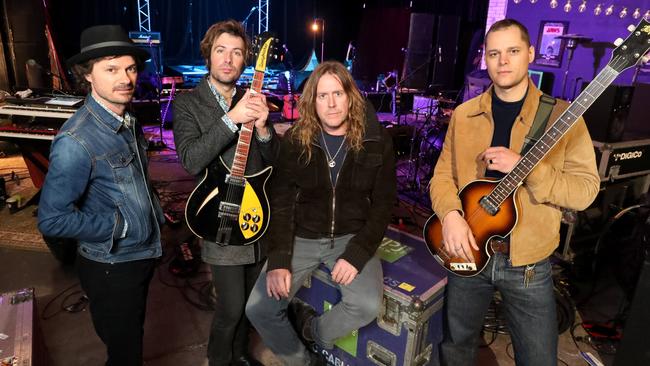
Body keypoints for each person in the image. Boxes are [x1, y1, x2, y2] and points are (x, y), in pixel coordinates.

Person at [429, 19, 599, 365]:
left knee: (538, 358)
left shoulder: (564, 118)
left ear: (531, 54)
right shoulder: (464, 115)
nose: (503, 61)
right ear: (485, 59)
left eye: (512, 51)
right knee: (456, 346)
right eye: (494, 53)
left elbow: (584, 191)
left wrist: (528, 167)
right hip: (469, 248)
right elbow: (442, 176)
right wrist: (450, 216)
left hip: (528, 265)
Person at [245, 60, 397, 366]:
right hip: (303, 235)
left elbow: (383, 204)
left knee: (366, 305)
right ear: (312, 102)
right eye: (322, 95)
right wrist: (278, 258)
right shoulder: (296, 140)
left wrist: (357, 252)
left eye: (338, 94)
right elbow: (283, 201)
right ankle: (305, 362)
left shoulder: (376, 140)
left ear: (350, 96)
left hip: (351, 235)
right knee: (258, 309)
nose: (331, 103)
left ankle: (312, 329)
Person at [37, 25, 165, 366]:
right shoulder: (76, 141)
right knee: (124, 355)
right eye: (111, 69)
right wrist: (121, 226)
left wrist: (151, 213)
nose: (125, 78)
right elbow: (51, 218)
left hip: (142, 255)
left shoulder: (126, 119)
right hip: (112, 267)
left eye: (130, 68)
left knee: (131, 339)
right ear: (87, 75)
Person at [172, 19, 278, 366]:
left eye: (236, 52)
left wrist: (263, 129)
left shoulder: (254, 98)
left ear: (245, 60)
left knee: (250, 305)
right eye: (221, 51)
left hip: (256, 215)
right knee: (230, 309)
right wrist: (232, 118)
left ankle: (240, 354)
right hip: (218, 215)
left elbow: (273, 160)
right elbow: (191, 159)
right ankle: (219, 359)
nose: (228, 60)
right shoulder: (189, 104)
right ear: (208, 55)